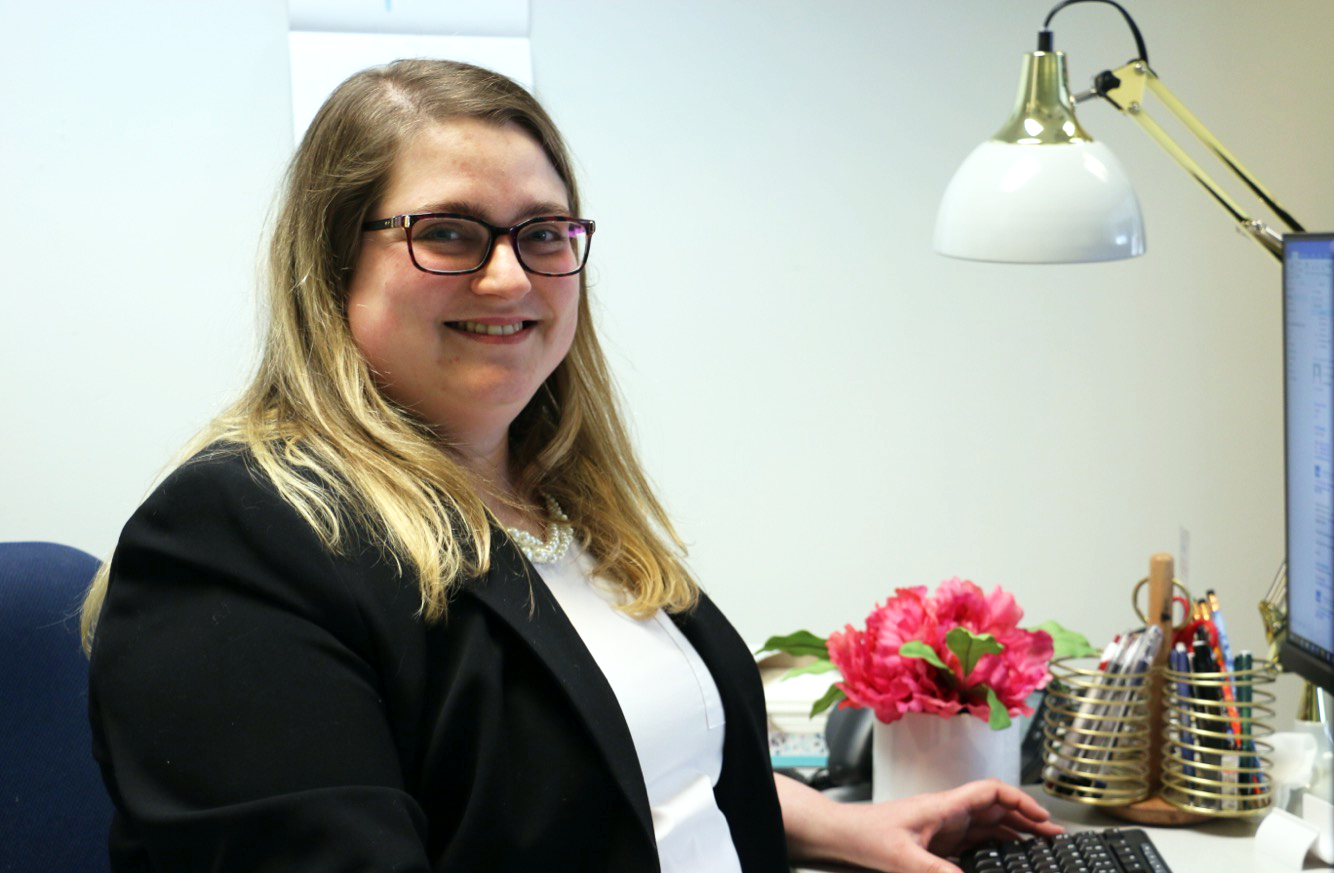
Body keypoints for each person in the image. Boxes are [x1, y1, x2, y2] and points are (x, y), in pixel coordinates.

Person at [81, 59, 1060, 872]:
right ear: (334, 267)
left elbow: (605, 751)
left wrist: (834, 823)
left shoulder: (562, 503)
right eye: (449, 233)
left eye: (543, 234)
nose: (509, 276)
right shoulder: (241, 535)